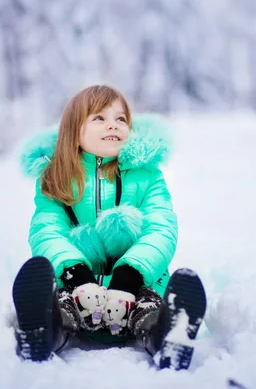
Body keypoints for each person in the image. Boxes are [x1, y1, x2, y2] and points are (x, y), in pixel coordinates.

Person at [12, 84, 207, 370]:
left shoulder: (147, 175)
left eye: (120, 119)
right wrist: (76, 275)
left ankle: (165, 338)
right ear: (74, 130)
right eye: (99, 118)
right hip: (77, 287)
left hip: (139, 284)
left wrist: (129, 277)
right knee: (63, 303)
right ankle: (45, 332)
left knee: (148, 306)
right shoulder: (56, 178)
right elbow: (46, 231)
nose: (113, 125)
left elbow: (161, 228)